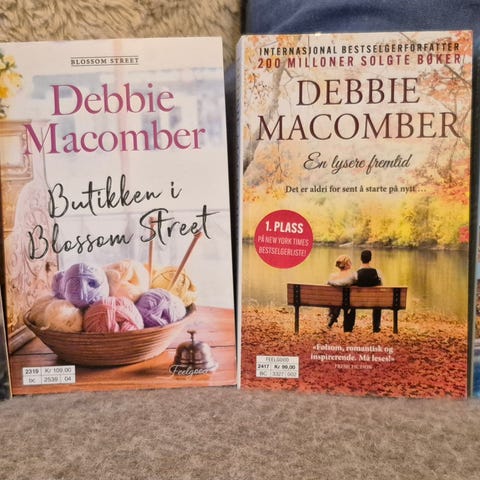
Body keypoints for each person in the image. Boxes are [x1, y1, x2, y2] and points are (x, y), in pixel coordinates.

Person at [355, 249, 382, 333]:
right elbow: (380, 285)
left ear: (361, 259)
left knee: (350, 304)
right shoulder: (376, 272)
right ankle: (376, 328)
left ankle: (348, 327)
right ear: (370, 259)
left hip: (357, 301)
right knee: (377, 304)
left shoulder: (357, 273)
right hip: (373, 301)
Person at [326, 254, 356, 328]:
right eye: (350, 262)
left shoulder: (333, 276)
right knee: (341, 299)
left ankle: (332, 316)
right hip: (347, 302)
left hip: (334, 302)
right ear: (347, 264)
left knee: (336, 300)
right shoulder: (352, 276)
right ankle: (335, 317)